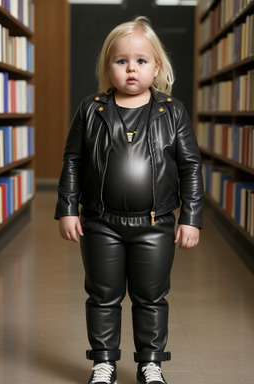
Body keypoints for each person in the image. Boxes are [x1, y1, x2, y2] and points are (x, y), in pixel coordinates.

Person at [55, 16, 204, 384]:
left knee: (151, 296)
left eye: (141, 60)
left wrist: (192, 217)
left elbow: (190, 166)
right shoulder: (91, 110)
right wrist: (66, 209)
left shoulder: (173, 112)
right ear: (109, 67)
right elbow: (72, 160)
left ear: (157, 67)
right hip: (100, 222)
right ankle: (103, 362)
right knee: (102, 295)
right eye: (121, 61)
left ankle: (150, 362)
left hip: (155, 224)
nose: (131, 68)